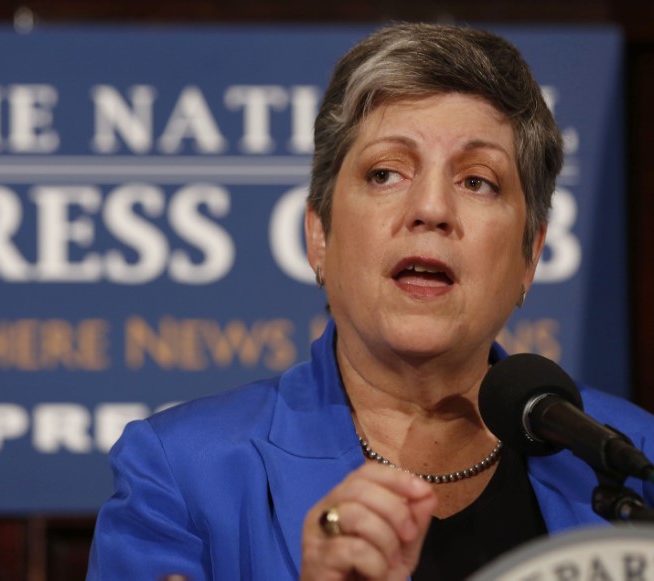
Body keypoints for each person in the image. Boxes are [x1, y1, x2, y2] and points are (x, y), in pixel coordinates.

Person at [87, 23, 654, 580]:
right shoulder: (183, 474)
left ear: (530, 254)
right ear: (320, 237)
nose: (430, 208)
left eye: (478, 181)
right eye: (385, 173)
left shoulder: (628, 457)